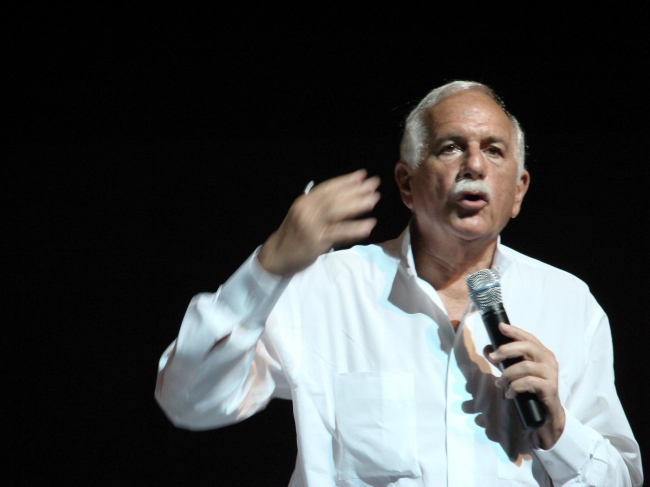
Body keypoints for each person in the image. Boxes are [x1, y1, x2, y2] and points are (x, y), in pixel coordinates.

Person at [155, 81, 643, 486]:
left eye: (494, 151)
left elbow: (621, 478)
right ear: (406, 184)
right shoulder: (325, 290)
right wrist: (268, 269)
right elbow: (188, 400)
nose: (474, 165)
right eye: (451, 147)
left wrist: (558, 427)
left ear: (518, 192)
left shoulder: (568, 303)